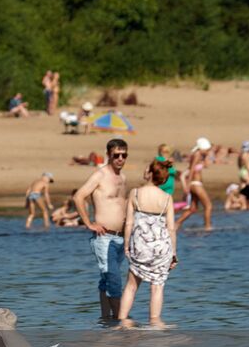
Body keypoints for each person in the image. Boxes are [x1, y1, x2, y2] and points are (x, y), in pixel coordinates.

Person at [72, 138, 130, 320]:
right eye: (116, 155)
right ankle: (122, 320)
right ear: (108, 155)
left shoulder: (123, 177)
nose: (120, 159)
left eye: (124, 155)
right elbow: (78, 197)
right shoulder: (100, 175)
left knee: (107, 279)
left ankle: (106, 319)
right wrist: (89, 223)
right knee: (113, 278)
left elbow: (121, 204)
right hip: (104, 238)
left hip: (121, 237)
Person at [117, 159, 177, 327]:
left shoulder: (135, 193)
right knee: (157, 287)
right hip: (161, 246)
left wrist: (127, 244)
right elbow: (171, 229)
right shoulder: (167, 198)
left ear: (150, 173)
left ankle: (123, 320)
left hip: (140, 245)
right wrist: (173, 253)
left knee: (131, 285)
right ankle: (155, 320)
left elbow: (129, 223)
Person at [175, 138, 214, 229]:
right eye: (207, 150)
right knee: (208, 205)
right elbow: (191, 169)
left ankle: (177, 223)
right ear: (201, 148)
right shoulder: (197, 154)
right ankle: (208, 227)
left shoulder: (199, 155)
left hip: (195, 184)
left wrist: (207, 156)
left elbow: (206, 165)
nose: (208, 151)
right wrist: (187, 184)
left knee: (193, 208)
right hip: (195, 184)